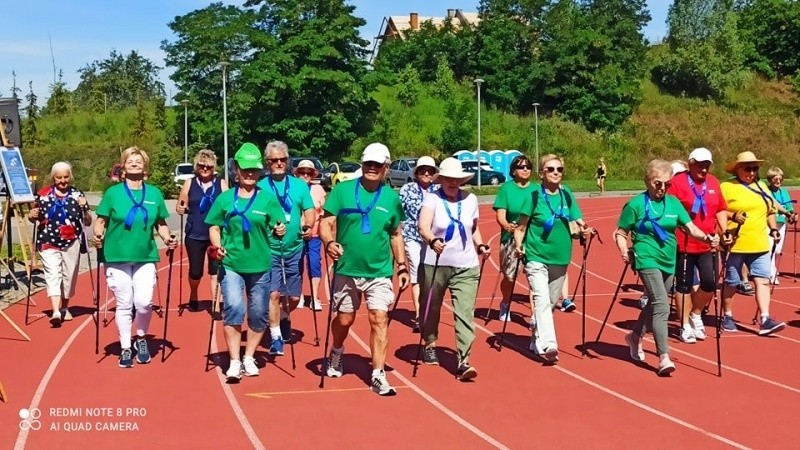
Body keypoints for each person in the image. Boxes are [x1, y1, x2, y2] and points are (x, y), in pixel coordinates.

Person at [320, 142, 409, 396]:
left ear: (386, 168)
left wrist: (401, 266)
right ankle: (337, 350)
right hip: (347, 268)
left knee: (379, 319)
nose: (372, 168)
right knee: (345, 319)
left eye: (377, 165)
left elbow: (395, 234)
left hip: (380, 271)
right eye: (368, 163)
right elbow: (326, 224)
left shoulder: (392, 198)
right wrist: (329, 242)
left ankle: (378, 374)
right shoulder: (343, 191)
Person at [615, 159, 716, 375]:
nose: (662, 188)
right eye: (657, 183)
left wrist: (708, 238)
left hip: (668, 259)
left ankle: (634, 337)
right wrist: (625, 251)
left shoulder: (673, 203)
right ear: (647, 181)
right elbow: (621, 232)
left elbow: (689, 227)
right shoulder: (635, 205)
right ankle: (664, 357)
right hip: (646, 258)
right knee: (661, 304)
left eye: (667, 184)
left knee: (654, 303)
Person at [206, 143, 286, 380]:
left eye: (254, 169)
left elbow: (278, 226)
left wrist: (279, 229)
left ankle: (249, 356)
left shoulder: (268, 199)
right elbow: (214, 226)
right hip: (231, 264)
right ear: (236, 170)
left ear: (260, 171)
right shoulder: (225, 199)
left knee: (259, 313)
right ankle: (233, 361)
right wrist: (217, 246)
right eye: (245, 169)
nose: (250, 174)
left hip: (260, 265)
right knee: (233, 308)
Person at [93, 147, 177, 368]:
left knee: (143, 303)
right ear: (123, 165)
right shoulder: (113, 193)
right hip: (116, 254)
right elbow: (100, 221)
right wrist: (98, 235)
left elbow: (161, 223)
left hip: (145, 255)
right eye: (130, 161)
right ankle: (125, 347)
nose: (134, 164)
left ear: (144, 166)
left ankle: (141, 338)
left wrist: (168, 239)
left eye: (138, 161)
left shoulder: (154, 193)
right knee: (123, 303)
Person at [513, 154, 592, 364]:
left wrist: (586, 229)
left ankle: (535, 338)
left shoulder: (567, 195)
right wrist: (519, 246)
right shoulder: (534, 196)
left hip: (561, 257)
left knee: (549, 302)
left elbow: (577, 219)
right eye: (550, 169)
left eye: (559, 169)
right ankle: (550, 344)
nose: (556, 172)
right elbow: (521, 227)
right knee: (540, 298)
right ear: (542, 173)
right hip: (536, 256)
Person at [418, 158, 490, 379]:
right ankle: (430, 343)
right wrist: (432, 240)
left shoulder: (470, 199)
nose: (452, 183)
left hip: (466, 265)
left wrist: (481, 245)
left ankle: (463, 359)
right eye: (448, 179)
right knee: (431, 307)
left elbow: (473, 228)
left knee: (465, 312)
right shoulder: (432, 199)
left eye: (457, 179)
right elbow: (422, 226)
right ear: (442, 179)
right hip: (434, 262)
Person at [257, 141, 315, 356]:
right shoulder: (261, 186)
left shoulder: (299, 185)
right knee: (273, 294)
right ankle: (275, 337)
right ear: (267, 163)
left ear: (288, 161)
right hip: (269, 249)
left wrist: (309, 226)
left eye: (282, 160)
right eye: (274, 160)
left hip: (294, 248)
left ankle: (283, 317)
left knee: (293, 298)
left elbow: (309, 210)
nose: (279, 163)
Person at [666, 148, 730, 344]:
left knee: (710, 283)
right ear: (691, 163)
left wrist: (723, 231)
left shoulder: (713, 182)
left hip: (708, 242)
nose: (704, 168)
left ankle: (695, 313)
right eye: (700, 164)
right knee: (684, 285)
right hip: (684, 243)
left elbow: (720, 209)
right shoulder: (677, 182)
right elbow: (669, 207)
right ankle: (684, 325)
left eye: (707, 165)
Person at [719, 152, 786, 335]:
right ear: (737, 169)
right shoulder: (727, 187)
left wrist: (773, 229)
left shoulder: (762, 186)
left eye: (755, 168)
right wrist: (730, 223)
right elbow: (719, 211)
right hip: (736, 243)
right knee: (732, 282)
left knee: (762, 281)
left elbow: (770, 210)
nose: (751, 172)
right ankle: (728, 315)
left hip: (760, 243)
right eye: (747, 168)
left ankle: (765, 318)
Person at [28, 162, 93, 327]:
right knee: (53, 273)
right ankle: (55, 311)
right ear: (53, 177)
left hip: (71, 241)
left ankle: (65, 307)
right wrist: (32, 214)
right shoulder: (43, 194)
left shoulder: (77, 194)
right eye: (59, 178)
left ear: (70, 176)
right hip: (48, 240)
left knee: (69, 275)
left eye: (65, 177)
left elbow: (87, 221)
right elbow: (33, 216)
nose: (63, 181)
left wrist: (84, 208)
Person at [176, 149, 228, 312]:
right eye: (201, 166)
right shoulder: (190, 182)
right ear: (196, 166)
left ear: (214, 168)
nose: (205, 169)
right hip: (195, 233)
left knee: (215, 271)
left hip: (216, 233)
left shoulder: (221, 183)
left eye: (209, 167)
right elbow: (181, 204)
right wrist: (180, 207)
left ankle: (215, 306)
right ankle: (193, 293)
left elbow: (228, 204)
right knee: (196, 271)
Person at [493, 155, 539, 323]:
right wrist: (507, 226)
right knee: (510, 277)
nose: (526, 169)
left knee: (535, 277)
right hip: (511, 239)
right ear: (513, 171)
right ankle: (505, 302)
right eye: (521, 167)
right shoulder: (506, 189)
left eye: (528, 166)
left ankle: (535, 314)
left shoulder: (536, 190)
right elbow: (500, 214)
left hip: (532, 239)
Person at [398, 156, 439, 332]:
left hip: (432, 239)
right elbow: (399, 212)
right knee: (416, 271)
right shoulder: (407, 189)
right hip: (412, 237)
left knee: (430, 276)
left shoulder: (438, 190)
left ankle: (429, 310)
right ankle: (418, 315)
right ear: (417, 172)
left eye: (430, 170)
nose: (426, 173)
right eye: (423, 170)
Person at [294, 159, 325, 311]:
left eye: (308, 173)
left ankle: (314, 297)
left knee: (314, 264)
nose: (305, 175)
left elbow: (324, 209)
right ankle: (298, 296)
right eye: (302, 172)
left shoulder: (318, 189)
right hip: (296, 235)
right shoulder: (292, 188)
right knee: (297, 265)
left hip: (314, 234)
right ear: (297, 173)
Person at [765, 166, 797, 284]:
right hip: (769, 223)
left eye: (780, 179)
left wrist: (793, 214)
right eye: (775, 179)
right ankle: (771, 273)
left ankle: (771, 268)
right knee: (770, 248)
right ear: (770, 179)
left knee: (778, 250)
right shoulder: (767, 191)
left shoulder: (784, 192)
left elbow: (789, 207)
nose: (778, 181)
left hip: (782, 223)